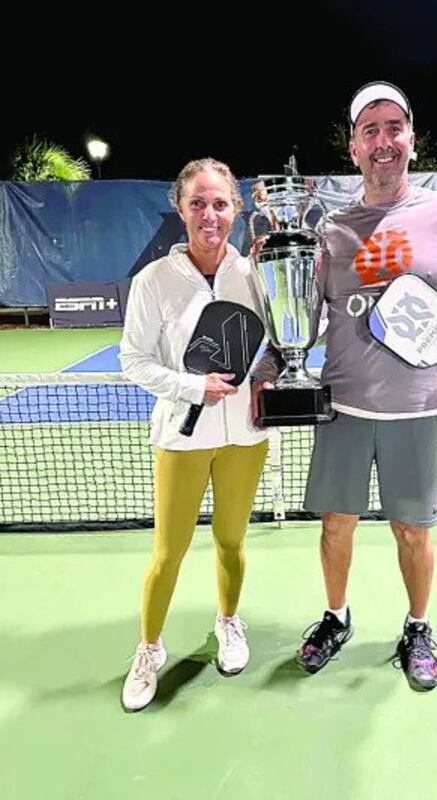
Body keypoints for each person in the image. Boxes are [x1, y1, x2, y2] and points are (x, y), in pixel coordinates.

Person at [252, 81, 437, 691]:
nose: (383, 140)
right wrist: (266, 374)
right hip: (342, 404)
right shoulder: (331, 230)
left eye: (394, 127)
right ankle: (336, 618)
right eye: (371, 130)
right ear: (354, 147)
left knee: (412, 530)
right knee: (335, 523)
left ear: (411, 140)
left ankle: (418, 627)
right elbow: (301, 318)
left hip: (418, 406)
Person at [120, 158, 269, 711]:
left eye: (221, 203)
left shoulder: (254, 275)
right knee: (169, 553)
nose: (210, 214)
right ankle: (150, 648)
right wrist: (189, 386)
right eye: (198, 203)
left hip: (245, 437)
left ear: (237, 209)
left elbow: (271, 349)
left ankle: (229, 623)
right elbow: (133, 360)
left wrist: (272, 373)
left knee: (231, 541)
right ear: (180, 209)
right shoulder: (153, 280)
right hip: (180, 441)